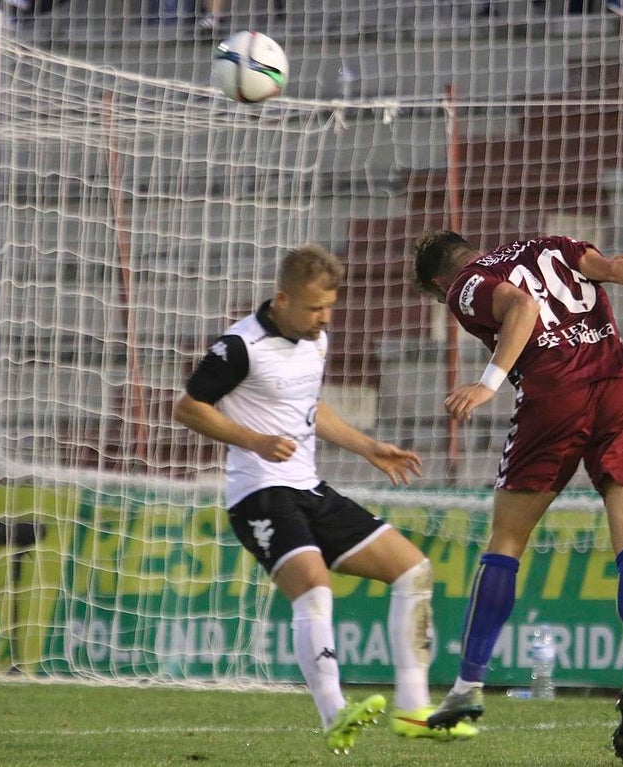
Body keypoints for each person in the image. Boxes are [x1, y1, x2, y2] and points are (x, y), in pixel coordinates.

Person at [412, 231, 623, 763]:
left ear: (438, 281)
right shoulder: (547, 244)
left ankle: (467, 689)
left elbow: (520, 305)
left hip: (555, 398)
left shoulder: (466, 285)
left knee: (505, 541)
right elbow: (617, 266)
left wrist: (488, 383)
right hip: (618, 386)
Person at [175, 245, 477, 754]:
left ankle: (412, 708)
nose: (324, 317)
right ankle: (336, 714)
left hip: (308, 488)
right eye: (315, 308)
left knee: (413, 569)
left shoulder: (315, 341)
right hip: (259, 494)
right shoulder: (240, 346)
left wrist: (369, 447)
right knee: (315, 590)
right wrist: (254, 440)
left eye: (330, 308)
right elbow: (188, 408)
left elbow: (310, 406)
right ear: (283, 298)